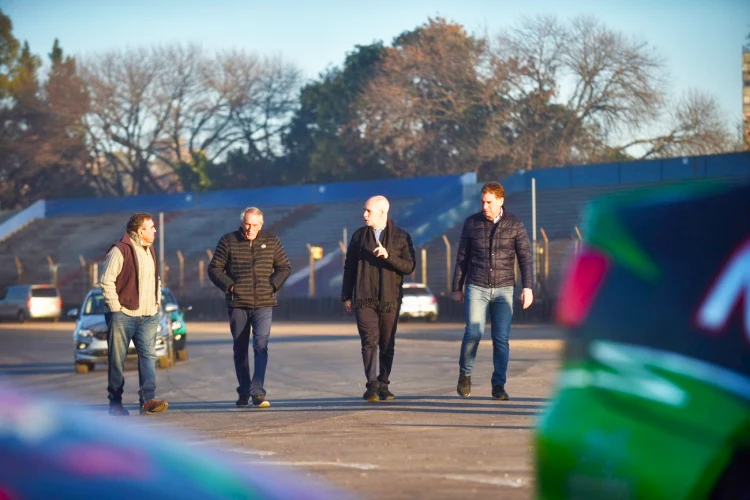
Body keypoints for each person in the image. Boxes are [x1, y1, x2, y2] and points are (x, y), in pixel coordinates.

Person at [452, 182, 534, 401]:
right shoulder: (471, 223)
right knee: (474, 332)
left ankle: (499, 385)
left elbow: (525, 257)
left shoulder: (515, 224)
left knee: (501, 339)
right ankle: (465, 374)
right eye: (482, 201)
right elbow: (462, 258)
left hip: (504, 288)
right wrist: (456, 287)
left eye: (489, 202)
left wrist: (528, 287)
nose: (485, 206)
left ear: (500, 201)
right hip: (476, 285)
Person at [208, 207, 291, 409]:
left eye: (254, 225)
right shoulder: (228, 240)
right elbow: (214, 268)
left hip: (264, 303)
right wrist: (230, 286)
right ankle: (244, 390)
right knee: (240, 349)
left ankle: (257, 391)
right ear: (242, 223)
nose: (250, 228)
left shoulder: (271, 241)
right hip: (238, 303)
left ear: (261, 225)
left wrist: (272, 285)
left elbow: (285, 267)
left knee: (261, 346)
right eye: (247, 224)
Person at [342, 195, 416, 402]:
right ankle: (371, 385)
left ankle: (384, 384)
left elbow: (409, 267)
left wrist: (388, 256)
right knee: (369, 341)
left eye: (368, 211)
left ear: (382, 213)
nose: (364, 214)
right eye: (364, 210)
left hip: (390, 298)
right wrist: (347, 294)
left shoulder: (401, 237)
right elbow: (349, 267)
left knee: (387, 343)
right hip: (364, 297)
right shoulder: (358, 236)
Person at [100, 213, 168, 416]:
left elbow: (155, 279)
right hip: (124, 315)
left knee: (148, 356)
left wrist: (157, 301)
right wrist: (115, 307)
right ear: (140, 231)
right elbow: (106, 280)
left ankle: (148, 400)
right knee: (117, 359)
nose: (155, 230)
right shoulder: (120, 250)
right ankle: (115, 403)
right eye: (151, 227)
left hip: (149, 315)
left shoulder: (150, 250)